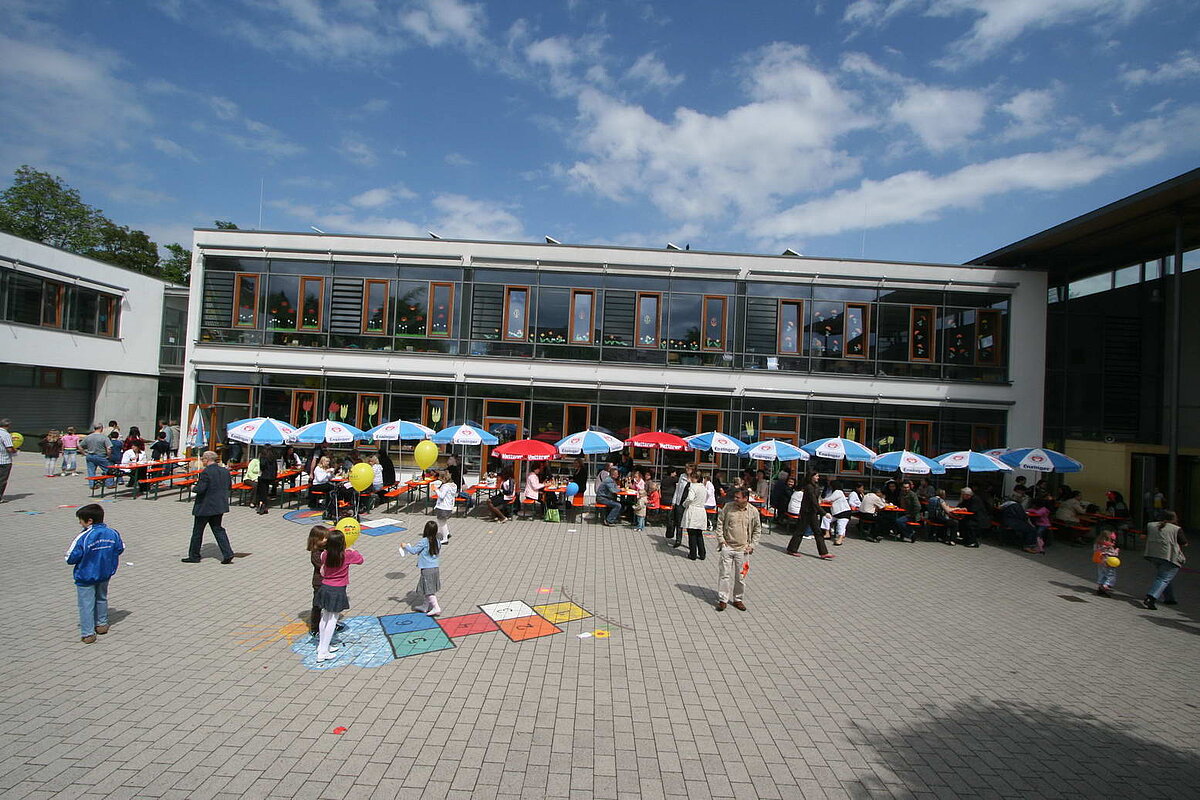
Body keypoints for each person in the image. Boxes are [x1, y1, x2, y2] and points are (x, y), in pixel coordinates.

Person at [65, 504, 124, 644]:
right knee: (101, 598)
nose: (80, 523)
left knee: (86, 604)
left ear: (89, 521)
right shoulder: (112, 533)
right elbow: (120, 548)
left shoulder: (84, 536)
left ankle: (88, 633)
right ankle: (102, 624)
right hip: (105, 572)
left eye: (81, 520)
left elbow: (70, 557)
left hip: (86, 575)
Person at [315, 529, 363, 663]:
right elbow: (360, 560)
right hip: (338, 589)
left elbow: (323, 569)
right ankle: (323, 652)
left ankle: (321, 646)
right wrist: (353, 550)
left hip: (325, 587)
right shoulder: (347, 555)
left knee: (325, 617)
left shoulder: (324, 554)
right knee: (332, 619)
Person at [182, 451, 236, 564]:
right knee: (218, 529)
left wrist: (193, 488)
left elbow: (201, 489)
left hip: (205, 506)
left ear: (207, 459)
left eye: (203, 459)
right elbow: (229, 486)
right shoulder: (225, 471)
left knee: (198, 531)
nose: (202, 461)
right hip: (219, 505)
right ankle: (228, 553)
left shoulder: (206, 472)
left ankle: (194, 555)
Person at [713, 488, 761, 612]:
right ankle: (723, 600)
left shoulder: (753, 511)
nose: (735, 499)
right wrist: (721, 540)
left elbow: (757, 529)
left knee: (741, 577)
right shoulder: (728, 507)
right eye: (735, 497)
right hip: (727, 547)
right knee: (724, 575)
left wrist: (752, 545)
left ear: (746, 498)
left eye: (738, 497)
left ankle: (738, 599)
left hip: (743, 550)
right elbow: (720, 523)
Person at [1141, 510, 1187, 610]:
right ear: (1174, 518)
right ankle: (1151, 597)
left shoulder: (1150, 525)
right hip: (1169, 556)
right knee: (1163, 578)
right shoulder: (1176, 529)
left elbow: (1142, 536)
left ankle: (1169, 598)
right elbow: (1184, 543)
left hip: (1153, 555)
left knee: (1164, 576)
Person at [402, 521, 446, 617]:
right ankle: (425, 606)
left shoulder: (424, 541)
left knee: (428, 589)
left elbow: (414, 551)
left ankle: (436, 607)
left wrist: (406, 546)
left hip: (427, 569)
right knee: (429, 587)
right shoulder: (437, 540)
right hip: (435, 567)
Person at [788, 472, 832, 559]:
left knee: (818, 532)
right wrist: (824, 513)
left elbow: (817, 500)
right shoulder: (809, 487)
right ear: (811, 477)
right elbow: (813, 501)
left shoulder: (815, 486)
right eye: (816, 476)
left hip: (812, 512)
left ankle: (823, 552)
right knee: (800, 531)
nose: (818, 477)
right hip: (806, 512)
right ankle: (792, 549)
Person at [306, 525, 330, 636]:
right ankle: (315, 628)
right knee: (317, 605)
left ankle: (330, 623)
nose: (326, 540)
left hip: (329, 582)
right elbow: (323, 567)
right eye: (323, 538)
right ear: (316, 539)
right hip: (319, 583)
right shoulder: (315, 553)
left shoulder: (325, 549)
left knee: (329, 605)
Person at [679, 471, 709, 560]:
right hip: (701, 510)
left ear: (695, 478)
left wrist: (684, 504)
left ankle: (693, 554)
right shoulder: (703, 487)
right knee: (699, 533)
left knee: (691, 533)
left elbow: (690, 498)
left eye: (691, 477)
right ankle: (702, 553)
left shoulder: (693, 486)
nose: (690, 479)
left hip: (693, 510)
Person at [1093, 529, 1120, 597]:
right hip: (1108, 561)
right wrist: (1116, 551)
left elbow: (1096, 550)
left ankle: (1100, 586)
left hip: (1100, 561)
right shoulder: (1108, 545)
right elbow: (1112, 553)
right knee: (1110, 574)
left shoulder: (1097, 544)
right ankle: (1106, 586)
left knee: (1101, 573)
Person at [826, 479, 852, 546]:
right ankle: (827, 533)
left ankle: (840, 539)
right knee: (826, 518)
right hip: (837, 513)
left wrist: (823, 500)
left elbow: (830, 499)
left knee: (841, 524)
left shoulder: (838, 492)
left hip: (844, 512)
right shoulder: (834, 492)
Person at [434, 469, 456, 543]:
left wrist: (436, 490)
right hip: (449, 506)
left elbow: (441, 496)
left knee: (442, 523)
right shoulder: (453, 485)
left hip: (443, 507)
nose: (440, 480)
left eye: (441, 479)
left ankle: (445, 538)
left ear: (444, 478)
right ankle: (447, 533)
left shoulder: (445, 486)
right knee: (444, 522)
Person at [254, 446, 278, 515]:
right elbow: (276, 468)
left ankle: (262, 505)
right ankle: (264, 505)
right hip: (271, 477)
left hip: (264, 476)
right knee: (266, 491)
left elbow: (262, 466)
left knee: (262, 492)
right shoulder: (273, 457)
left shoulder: (263, 457)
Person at [660, 467, 680, 544]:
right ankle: (670, 531)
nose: (675, 474)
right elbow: (680, 480)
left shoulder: (663, 479)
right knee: (672, 517)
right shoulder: (672, 479)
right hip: (670, 499)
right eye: (674, 472)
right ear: (672, 473)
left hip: (663, 499)